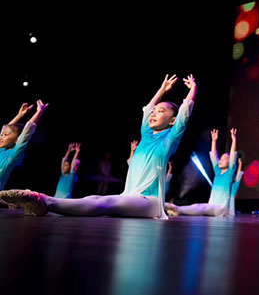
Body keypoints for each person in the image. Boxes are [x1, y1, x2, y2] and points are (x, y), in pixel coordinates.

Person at [0, 74, 196, 219]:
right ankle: (44, 203)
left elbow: (183, 117)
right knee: (96, 198)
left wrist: (192, 90)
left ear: (171, 121)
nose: (153, 113)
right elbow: (147, 109)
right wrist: (162, 90)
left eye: (161, 111)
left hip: (149, 202)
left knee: (105, 202)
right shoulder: (146, 135)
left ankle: (43, 200)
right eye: (154, 111)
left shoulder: (169, 140)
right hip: (130, 196)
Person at [165, 128, 238, 217]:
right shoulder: (218, 172)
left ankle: (177, 209)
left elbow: (233, 157)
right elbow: (214, 156)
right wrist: (214, 141)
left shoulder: (229, 173)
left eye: (224, 159)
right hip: (212, 205)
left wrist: (234, 140)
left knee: (201, 208)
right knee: (198, 206)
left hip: (221, 208)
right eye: (221, 159)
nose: (220, 160)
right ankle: (177, 209)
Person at [1, 101, 48, 190]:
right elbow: (6, 129)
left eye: (6, 135)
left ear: (17, 140)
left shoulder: (13, 155)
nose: (1, 137)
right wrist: (19, 116)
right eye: (2, 135)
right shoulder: (1, 149)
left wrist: (39, 112)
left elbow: (26, 132)